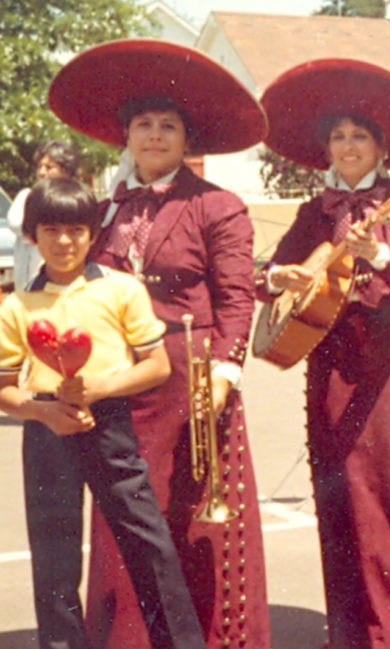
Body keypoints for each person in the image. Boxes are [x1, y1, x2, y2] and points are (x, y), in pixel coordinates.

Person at [47, 39, 270, 649]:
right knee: (123, 512)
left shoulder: (217, 205)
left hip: (190, 382)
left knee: (185, 513)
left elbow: (237, 297)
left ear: (185, 139)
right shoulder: (107, 208)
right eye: (143, 125)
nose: (154, 135)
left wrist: (226, 369)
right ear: (126, 137)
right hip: (120, 381)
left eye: (167, 126)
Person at [257, 58, 390, 649]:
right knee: (337, 486)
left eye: (358, 137)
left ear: (380, 147)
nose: (347, 146)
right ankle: (348, 628)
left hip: (385, 361)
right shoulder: (314, 211)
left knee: (388, 488)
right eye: (338, 137)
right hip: (329, 359)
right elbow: (270, 269)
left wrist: (380, 256)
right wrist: (280, 278)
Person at [0, 177, 205, 649]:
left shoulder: (121, 290)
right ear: (31, 235)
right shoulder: (18, 304)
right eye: (50, 230)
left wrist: (100, 388)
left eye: (76, 230)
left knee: (148, 543)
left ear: (93, 234)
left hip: (109, 423)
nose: (64, 241)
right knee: (54, 556)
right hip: (49, 430)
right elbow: (6, 390)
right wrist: (39, 411)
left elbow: (156, 365)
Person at [7, 140, 81, 289]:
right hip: (25, 277)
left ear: (65, 170)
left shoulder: (74, 198)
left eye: (49, 167)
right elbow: (15, 223)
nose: (42, 172)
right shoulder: (27, 195)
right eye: (40, 167)